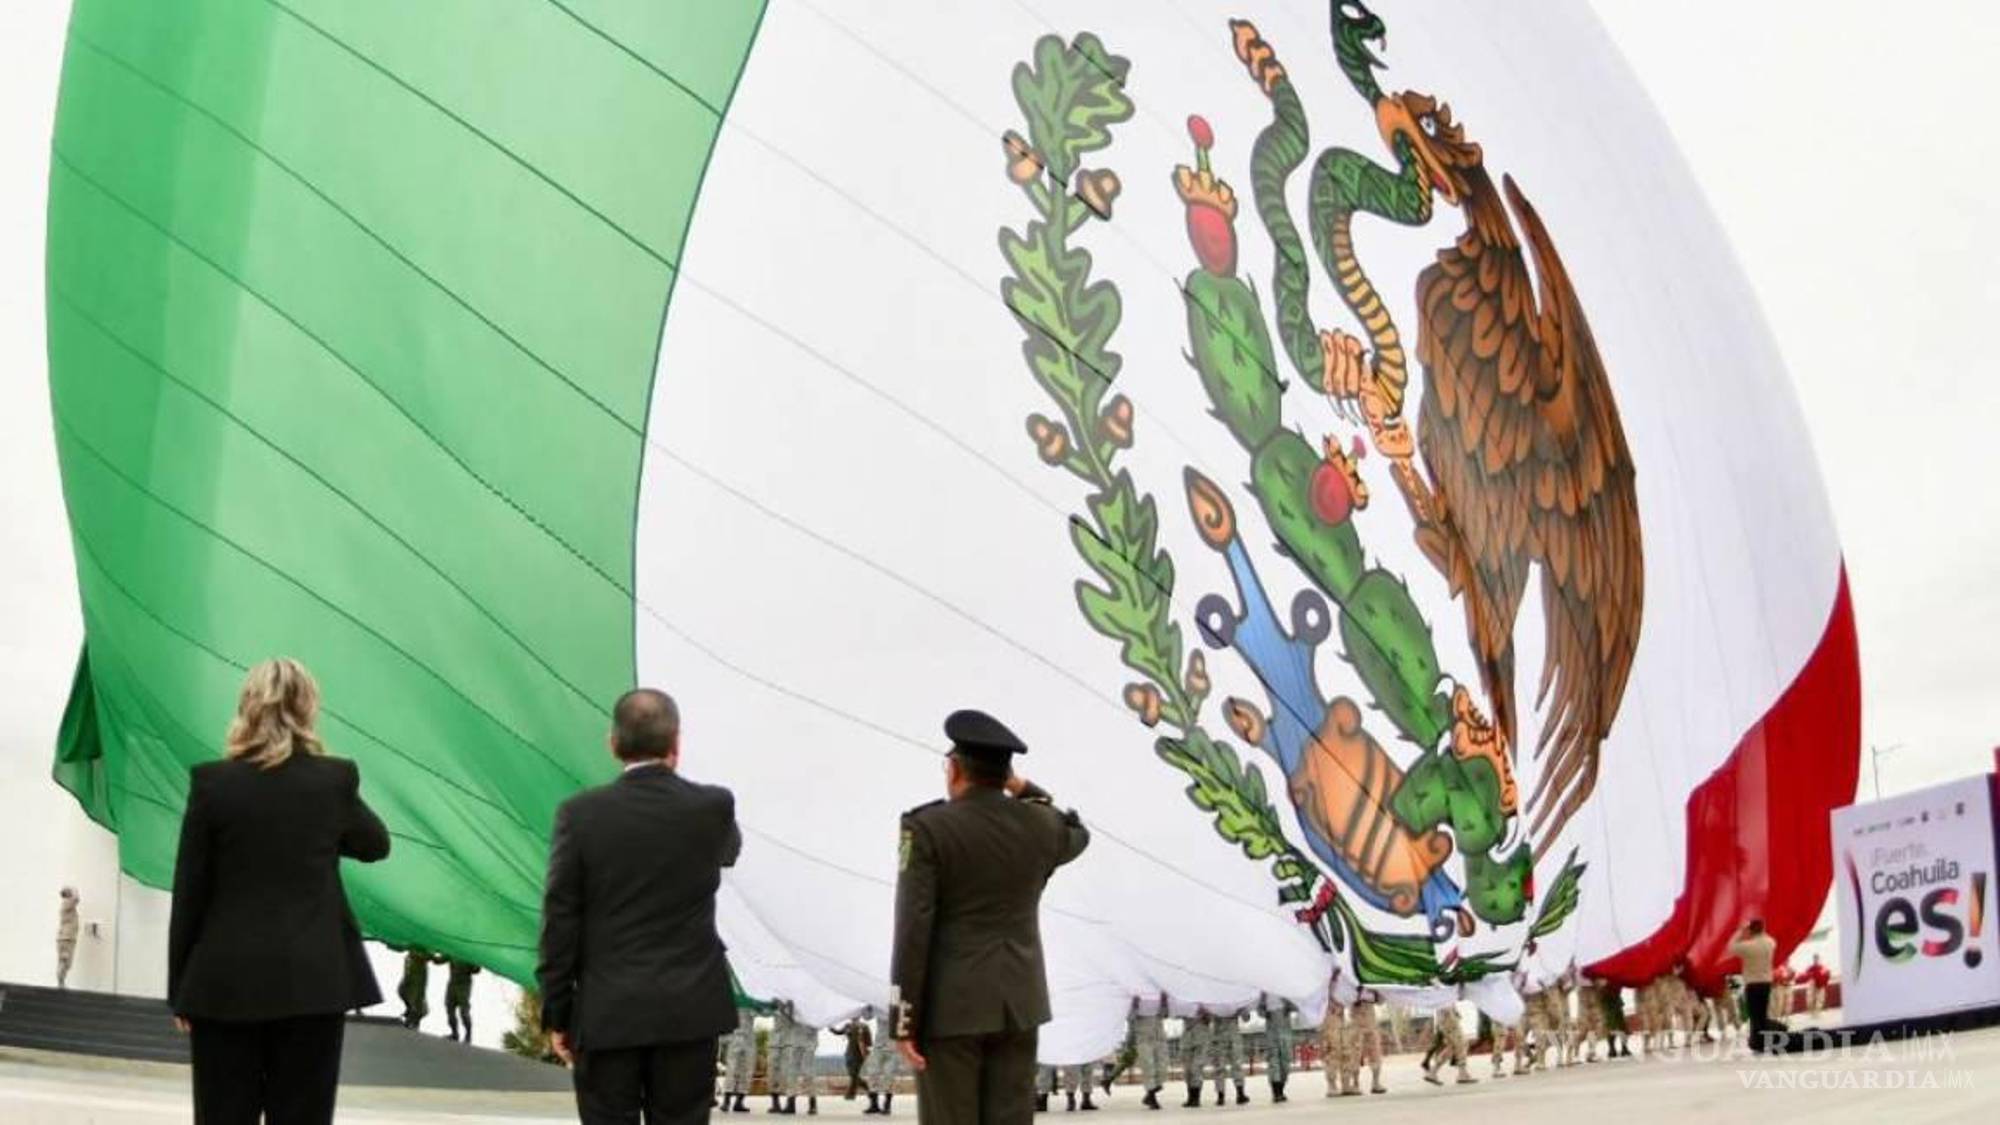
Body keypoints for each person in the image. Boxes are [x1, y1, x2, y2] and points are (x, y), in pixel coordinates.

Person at [167, 658, 392, 1125]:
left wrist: (179, 991)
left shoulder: (212, 784)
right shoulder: (334, 780)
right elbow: (375, 844)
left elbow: (190, 890)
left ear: (247, 707)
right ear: (307, 707)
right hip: (313, 983)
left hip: (222, 984)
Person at [537, 688, 742, 1124]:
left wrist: (557, 1011)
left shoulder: (578, 814)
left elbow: (560, 919)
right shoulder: (713, 806)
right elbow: (729, 851)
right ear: (676, 743)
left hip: (607, 1011)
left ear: (613, 743)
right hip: (690, 1010)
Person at [888, 710, 1090, 1125]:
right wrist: (1021, 787)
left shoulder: (927, 828)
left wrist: (903, 1019)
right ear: (1006, 774)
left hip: (951, 1007)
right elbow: (1077, 831)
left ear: (956, 769)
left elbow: (914, 927)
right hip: (1020, 1003)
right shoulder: (1040, 826)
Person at [1728, 918, 1781, 1053]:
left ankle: (1758, 1042)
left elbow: (1730, 947)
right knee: (1762, 1014)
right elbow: (1767, 937)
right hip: (1766, 982)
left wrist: (1740, 931)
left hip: (1752, 983)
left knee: (1754, 1015)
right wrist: (1758, 929)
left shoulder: (1748, 946)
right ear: (1763, 929)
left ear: (1751, 930)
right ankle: (1762, 1040)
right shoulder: (1770, 942)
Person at [862, 1005, 903, 1115]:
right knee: (872, 1073)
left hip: (894, 1047)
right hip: (879, 1046)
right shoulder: (878, 1005)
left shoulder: (898, 1006)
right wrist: (868, 1007)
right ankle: (874, 1104)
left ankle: (887, 1105)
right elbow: (866, 1016)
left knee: (889, 1075)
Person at [1421, 1002, 1474, 1086]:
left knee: (1452, 1048)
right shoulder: (1444, 993)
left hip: (1445, 1022)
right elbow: (1446, 1005)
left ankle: (1433, 1072)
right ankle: (1462, 1074)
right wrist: (1453, 1016)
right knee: (1461, 1045)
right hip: (1449, 1022)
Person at [1129, 995, 1168, 1110]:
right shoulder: (1135, 1000)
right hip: (1144, 1039)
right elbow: (1130, 1018)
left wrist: (1163, 1003)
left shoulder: (1156, 999)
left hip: (1159, 1037)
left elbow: (1165, 1015)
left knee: (1162, 1068)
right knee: (1148, 1067)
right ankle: (1151, 1096)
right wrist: (1135, 1006)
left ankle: (1150, 1093)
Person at [1348, 987, 1387, 1095]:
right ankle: (1355, 1084)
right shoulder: (1352, 985)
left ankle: (1376, 1083)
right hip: (1356, 1025)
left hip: (1371, 1024)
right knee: (1354, 1055)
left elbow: (1381, 1001)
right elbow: (1348, 999)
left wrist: (1376, 991)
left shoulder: (1371, 985)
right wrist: (1360, 994)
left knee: (1375, 1053)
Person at [1257, 993, 1291, 1102]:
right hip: (1271, 1025)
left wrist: (1288, 1005)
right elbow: (1259, 1011)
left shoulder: (1285, 989)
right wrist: (1263, 1007)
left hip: (1284, 1025)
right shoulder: (1263, 992)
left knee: (1285, 1059)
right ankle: (1276, 1091)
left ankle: (1281, 1088)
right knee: (1273, 1059)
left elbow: (1296, 1005)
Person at [723, 1006, 757, 1113]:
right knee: (731, 1070)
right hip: (735, 1038)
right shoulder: (733, 999)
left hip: (749, 1040)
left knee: (747, 1070)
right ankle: (726, 1101)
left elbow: (764, 1012)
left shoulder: (752, 1000)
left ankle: (739, 1101)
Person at [836, 1013, 875, 1100]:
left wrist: (866, 1052)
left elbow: (869, 1041)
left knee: (854, 1074)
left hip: (859, 1054)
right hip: (849, 1053)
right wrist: (830, 1027)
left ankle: (850, 1095)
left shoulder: (864, 1026)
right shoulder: (847, 1026)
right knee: (852, 1074)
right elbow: (839, 1032)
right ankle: (868, 1089)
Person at [1180, 1008, 1213, 1107]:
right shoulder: (1185, 1001)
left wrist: (1205, 1014)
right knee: (1187, 1070)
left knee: (1196, 1068)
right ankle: (1190, 1098)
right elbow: (1176, 1013)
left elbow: (1211, 1018)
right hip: (1187, 1038)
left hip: (1201, 1038)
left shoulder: (1206, 1002)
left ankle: (1196, 1098)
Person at [443, 959, 480, 1043]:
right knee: (449, 1009)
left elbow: (476, 970)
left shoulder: (469, 955)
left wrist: (473, 964)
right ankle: (454, 1033)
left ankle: (468, 1035)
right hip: (452, 984)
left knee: (464, 1012)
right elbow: (438, 961)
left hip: (464, 986)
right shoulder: (452, 951)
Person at [56, 887, 80, 989]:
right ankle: (61, 982)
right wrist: (74, 890)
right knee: (64, 960)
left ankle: (61, 982)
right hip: (66, 938)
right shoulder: (67, 903)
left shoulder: (68, 906)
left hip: (68, 938)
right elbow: (76, 899)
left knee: (66, 962)